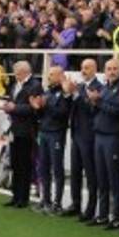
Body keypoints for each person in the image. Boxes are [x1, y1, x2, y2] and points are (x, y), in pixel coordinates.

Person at [89, 58, 119, 228]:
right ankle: (103, 214)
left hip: (113, 137)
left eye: (114, 68)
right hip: (99, 135)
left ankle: (116, 216)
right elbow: (97, 110)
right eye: (109, 69)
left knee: (114, 177)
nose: (112, 71)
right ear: (104, 71)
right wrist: (94, 102)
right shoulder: (104, 87)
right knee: (101, 177)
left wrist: (99, 102)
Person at [0, 60, 42, 208]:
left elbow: (33, 108)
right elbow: (12, 102)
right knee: (15, 164)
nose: (15, 74)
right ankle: (15, 196)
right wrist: (8, 107)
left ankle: (23, 198)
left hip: (26, 130)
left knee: (24, 164)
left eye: (17, 72)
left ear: (24, 71)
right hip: (14, 129)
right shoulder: (15, 85)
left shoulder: (35, 85)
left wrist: (14, 108)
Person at [63, 57, 100, 220]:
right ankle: (75, 204)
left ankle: (91, 208)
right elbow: (70, 107)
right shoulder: (78, 86)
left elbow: (91, 109)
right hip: (76, 133)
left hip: (89, 136)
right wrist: (67, 93)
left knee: (90, 174)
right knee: (75, 171)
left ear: (95, 69)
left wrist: (76, 94)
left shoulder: (98, 87)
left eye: (87, 68)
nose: (83, 71)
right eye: (82, 68)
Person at [36, 65, 73, 214]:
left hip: (56, 133)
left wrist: (46, 106)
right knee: (43, 167)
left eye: (52, 74)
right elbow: (41, 115)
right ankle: (45, 199)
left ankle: (57, 202)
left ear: (60, 76)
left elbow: (63, 113)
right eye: (49, 74)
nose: (49, 77)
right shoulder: (47, 92)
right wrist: (38, 108)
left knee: (57, 168)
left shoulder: (64, 93)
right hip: (44, 132)